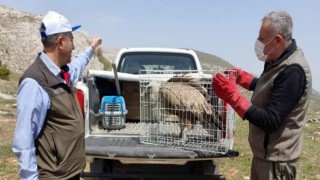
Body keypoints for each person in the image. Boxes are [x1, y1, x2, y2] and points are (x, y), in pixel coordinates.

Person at [212, 10, 312, 180]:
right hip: (264, 156)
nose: (258, 43)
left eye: (262, 39)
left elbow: (270, 120)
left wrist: (233, 97)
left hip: (276, 162)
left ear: (278, 40)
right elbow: (273, 89)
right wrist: (245, 79)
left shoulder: (293, 72)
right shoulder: (276, 60)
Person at [12, 11, 102, 179]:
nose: (73, 47)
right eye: (72, 40)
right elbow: (23, 142)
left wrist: (91, 48)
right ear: (61, 42)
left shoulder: (62, 73)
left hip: (69, 174)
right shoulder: (35, 83)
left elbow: (78, 64)